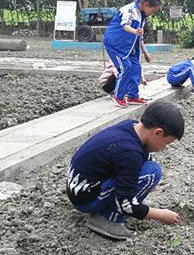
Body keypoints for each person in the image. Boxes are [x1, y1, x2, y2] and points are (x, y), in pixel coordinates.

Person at [66, 101, 184, 240]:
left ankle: (120, 201)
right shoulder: (129, 152)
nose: (164, 147)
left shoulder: (130, 127)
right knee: (151, 173)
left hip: (80, 188)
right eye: (167, 143)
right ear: (157, 133)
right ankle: (108, 217)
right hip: (86, 199)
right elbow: (126, 204)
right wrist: (159, 214)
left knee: (146, 165)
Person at [104, 0, 161, 108]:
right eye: (153, 10)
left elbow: (140, 36)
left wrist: (145, 52)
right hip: (116, 44)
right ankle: (118, 95)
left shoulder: (142, 15)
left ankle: (133, 95)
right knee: (125, 68)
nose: (152, 13)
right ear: (146, 5)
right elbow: (125, 26)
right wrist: (135, 31)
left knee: (136, 67)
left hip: (129, 46)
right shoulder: (129, 10)